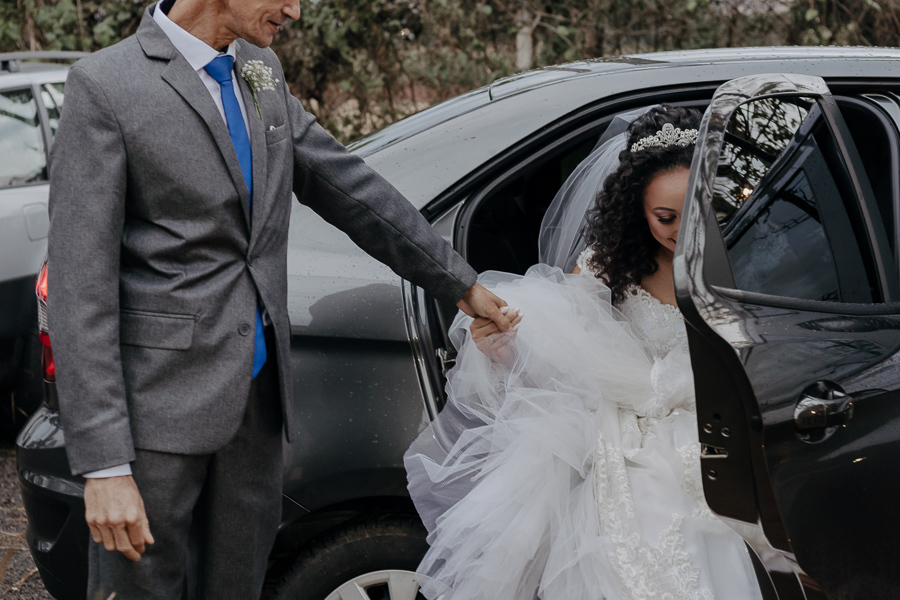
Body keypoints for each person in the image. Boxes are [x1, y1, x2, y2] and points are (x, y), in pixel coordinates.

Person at [46, 0, 512, 597]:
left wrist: (461, 284)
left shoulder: (260, 68)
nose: (294, 10)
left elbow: (349, 186)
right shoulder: (106, 85)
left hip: (257, 408)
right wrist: (104, 465)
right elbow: (80, 290)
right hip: (151, 419)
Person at [404, 105, 765, 599]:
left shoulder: (745, 258)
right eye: (665, 217)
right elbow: (562, 352)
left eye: (698, 213)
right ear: (637, 208)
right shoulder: (605, 264)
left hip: (718, 424)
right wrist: (505, 347)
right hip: (618, 432)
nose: (683, 230)